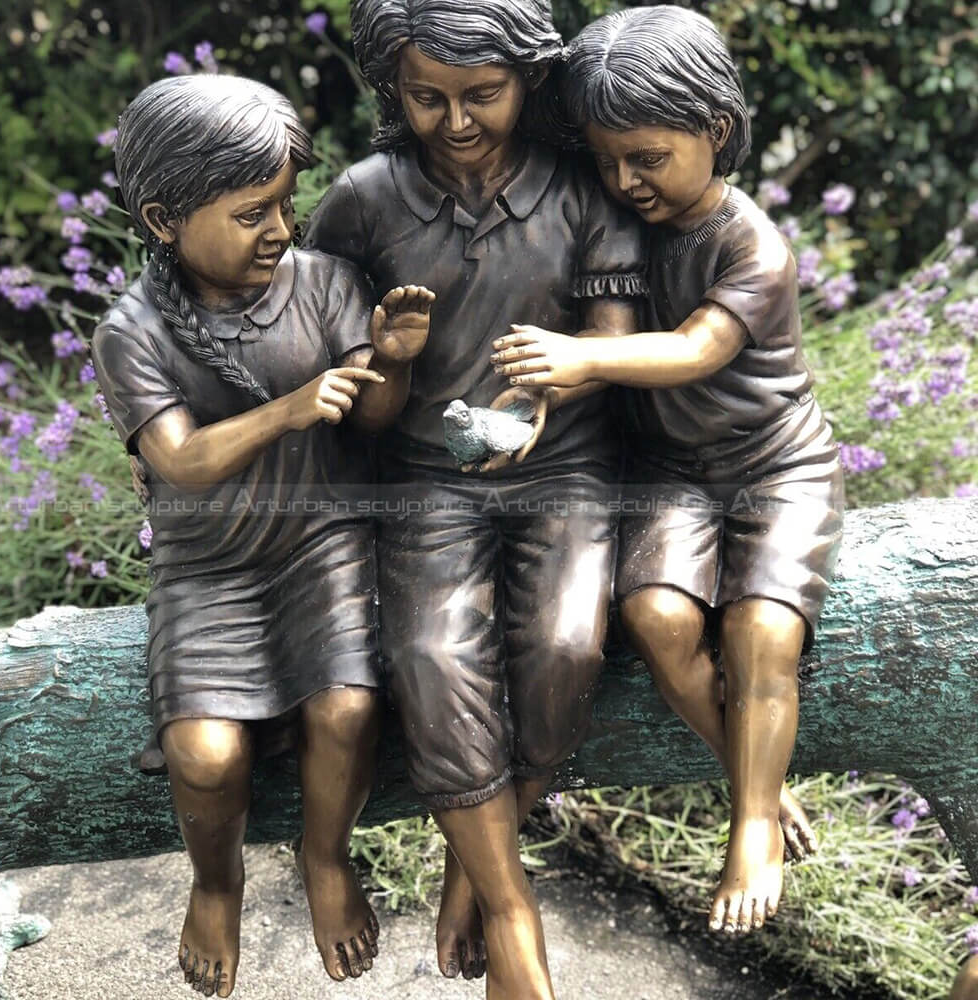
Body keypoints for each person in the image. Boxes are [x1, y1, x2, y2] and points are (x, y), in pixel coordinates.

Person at [303, 1, 645, 995]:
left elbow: (613, 341)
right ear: (392, 92)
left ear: (527, 83)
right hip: (424, 479)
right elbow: (338, 375)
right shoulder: (363, 201)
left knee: (571, 641)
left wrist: (548, 392)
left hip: (564, 464)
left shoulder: (582, 191)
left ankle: (472, 862)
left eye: (481, 95)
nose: (455, 121)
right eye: (426, 98)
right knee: (427, 651)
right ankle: (512, 914)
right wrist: (384, 362)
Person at [491, 5, 844, 938]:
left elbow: (694, 350)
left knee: (763, 630)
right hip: (671, 470)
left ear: (716, 132)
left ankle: (755, 821)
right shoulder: (615, 218)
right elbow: (605, 326)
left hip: (776, 461)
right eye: (608, 160)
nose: (625, 180)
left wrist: (581, 361)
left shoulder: (751, 245)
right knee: (653, 615)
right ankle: (751, 775)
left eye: (647, 156)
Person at [92, 74, 433, 997]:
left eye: (286, 203)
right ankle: (216, 881)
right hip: (207, 570)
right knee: (204, 755)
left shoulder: (322, 287)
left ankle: (325, 859)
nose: (281, 228)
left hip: (323, 541)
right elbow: (181, 460)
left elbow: (368, 420)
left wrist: (389, 364)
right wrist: (287, 409)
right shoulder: (133, 330)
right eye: (252, 212)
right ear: (165, 218)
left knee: (348, 709)